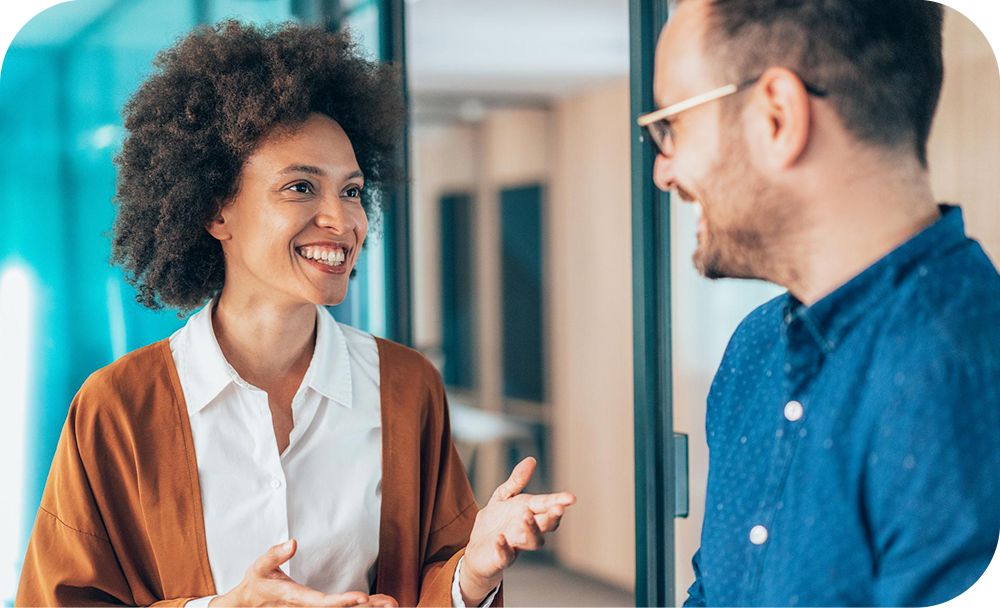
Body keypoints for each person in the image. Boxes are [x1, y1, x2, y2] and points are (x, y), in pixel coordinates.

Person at [16, 21, 575, 608]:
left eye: (353, 190)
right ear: (215, 212)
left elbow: (435, 580)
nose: (343, 220)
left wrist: (473, 575)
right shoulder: (117, 408)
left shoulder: (407, 388)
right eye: (302, 187)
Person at [638, 0, 999, 605]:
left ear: (778, 115)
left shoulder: (964, 370)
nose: (663, 170)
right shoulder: (755, 350)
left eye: (671, 126)